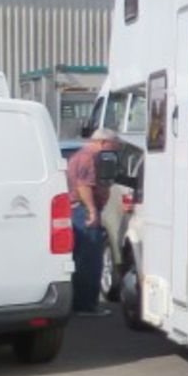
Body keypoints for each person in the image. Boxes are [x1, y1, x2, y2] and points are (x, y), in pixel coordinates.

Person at [65, 124, 116, 316]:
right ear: (102, 142)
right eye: (113, 145)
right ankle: (86, 305)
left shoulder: (81, 155)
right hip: (83, 211)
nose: (115, 150)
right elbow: (84, 186)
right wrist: (93, 210)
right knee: (89, 259)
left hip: (79, 210)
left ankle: (80, 303)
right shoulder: (88, 157)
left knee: (81, 258)